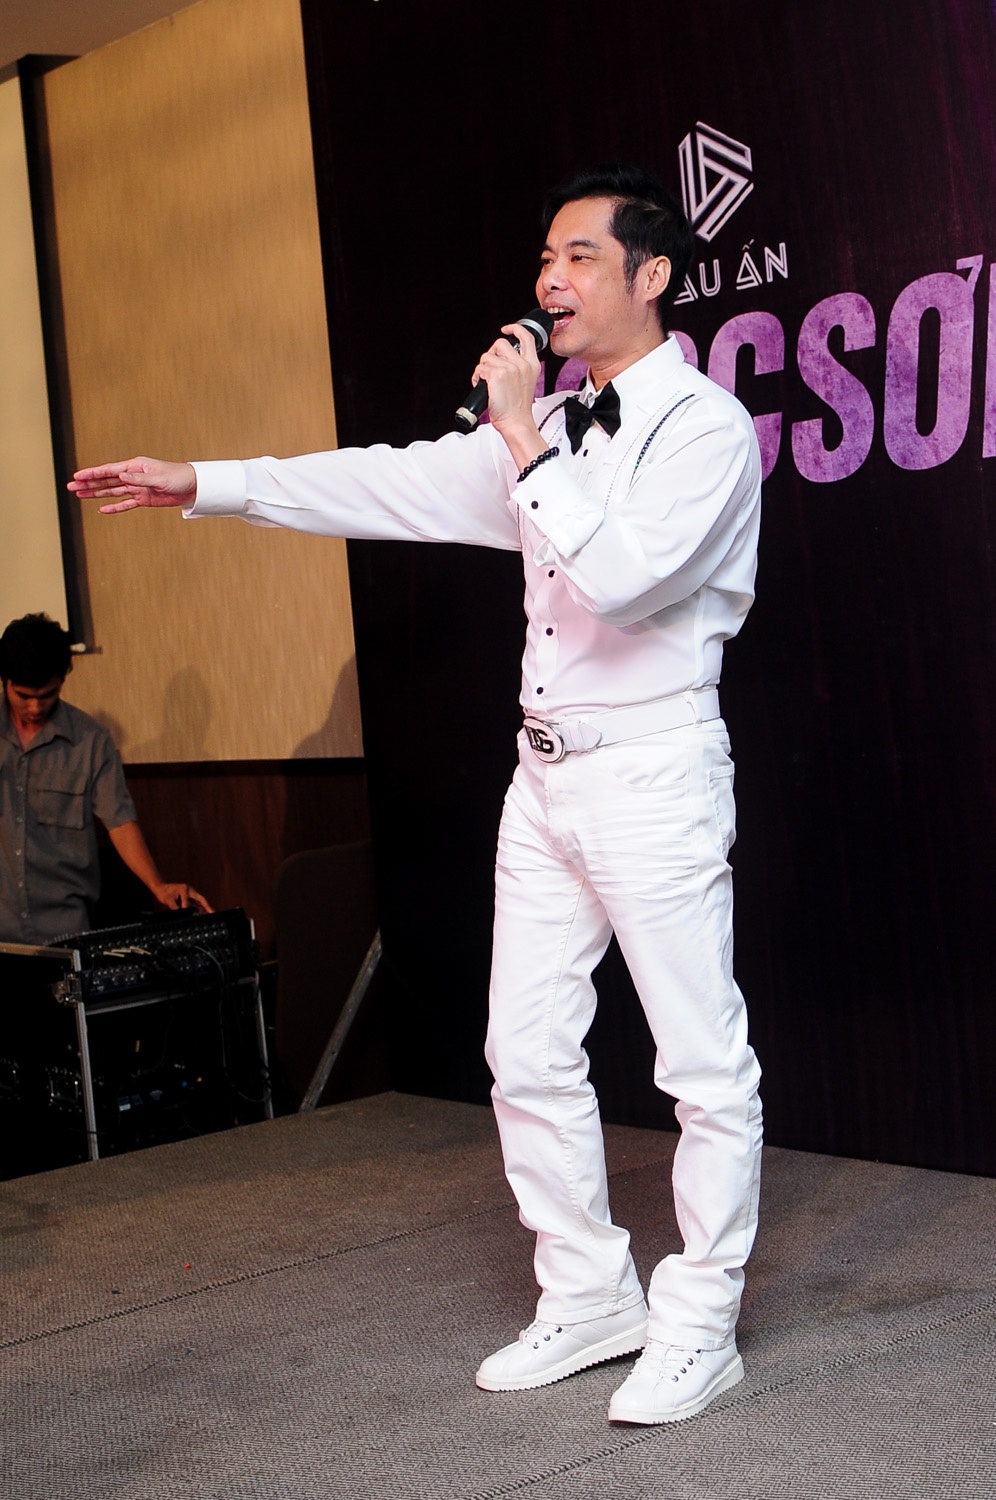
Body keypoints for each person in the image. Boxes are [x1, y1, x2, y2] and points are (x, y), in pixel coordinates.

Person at [70, 163, 763, 1426]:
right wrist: (203, 483)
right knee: (525, 1053)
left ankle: (702, 1320)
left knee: (701, 1065)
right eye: (544, 258)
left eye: (580, 257)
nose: (550, 281)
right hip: (541, 775)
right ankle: (590, 1294)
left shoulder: (706, 429)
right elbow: (381, 483)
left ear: (653, 275)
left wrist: (520, 435)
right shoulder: (552, 432)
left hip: (655, 767)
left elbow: (624, 581)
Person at [0, 612, 211, 944]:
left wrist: (157, 885)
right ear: (5, 681)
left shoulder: (91, 740)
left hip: (62, 930)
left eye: (48, 694)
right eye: (24, 696)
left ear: (63, 681)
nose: (36, 707)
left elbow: (120, 820)